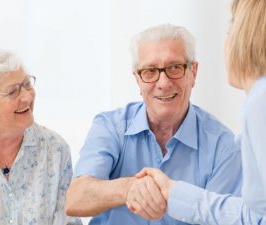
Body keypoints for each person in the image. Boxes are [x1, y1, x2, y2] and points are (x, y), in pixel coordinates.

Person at [65, 24, 242, 225]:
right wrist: (128, 188)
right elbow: (75, 199)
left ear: (193, 72)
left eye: (174, 67)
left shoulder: (224, 147)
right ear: (137, 79)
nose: (163, 82)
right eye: (150, 71)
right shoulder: (110, 126)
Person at [129, 0, 266, 224]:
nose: (163, 83)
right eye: (151, 71)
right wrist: (172, 192)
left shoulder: (259, 102)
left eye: (229, 31)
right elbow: (255, 216)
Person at [0, 49, 82, 225]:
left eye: (27, 84)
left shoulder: (55, 149)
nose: (27, 97)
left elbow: (69, 220)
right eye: (12, 92)